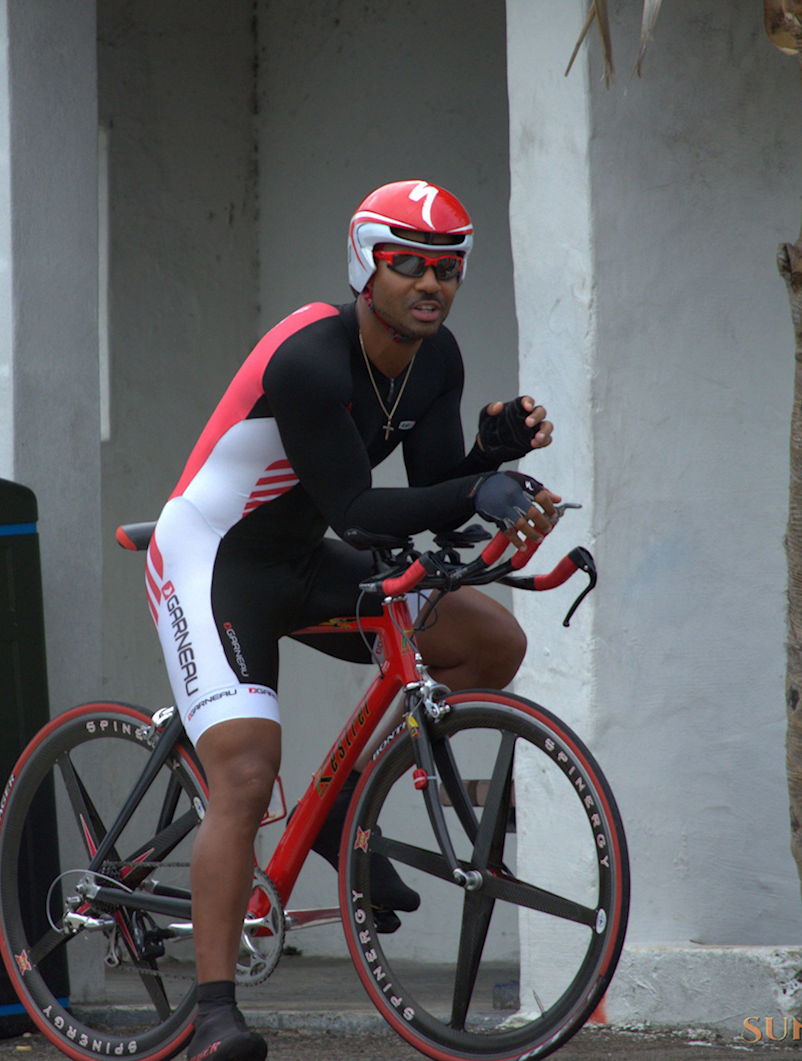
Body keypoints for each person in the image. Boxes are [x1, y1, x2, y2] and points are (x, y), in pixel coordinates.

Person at [146, 180, 559, 1061]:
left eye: (445, 267)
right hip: (215, 557)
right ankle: (215, 1010)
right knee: (248, 772)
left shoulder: (434, 358)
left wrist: (489, 455)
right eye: (405, 262)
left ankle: (342, 805)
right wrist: (471, 485)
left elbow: (436, 495)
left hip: (302, 554)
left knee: (489, 641)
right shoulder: (310, 357)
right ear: (364, 266)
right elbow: (362, 507)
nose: (429, 282)